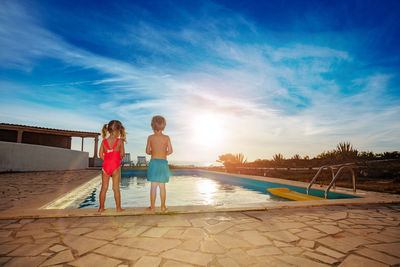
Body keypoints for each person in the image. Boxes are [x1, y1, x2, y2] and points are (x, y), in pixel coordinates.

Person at [145, 115, 173, 212]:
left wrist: (153, 152)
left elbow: (147, 151)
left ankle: (152, 207)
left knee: (153, 187)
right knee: (162, 187)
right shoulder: (166, 138)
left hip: (154, 163)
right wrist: (163, 153)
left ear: (152, 126)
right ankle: (163, 206)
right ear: (164, 126)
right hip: (163, 163)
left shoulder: (150, 137)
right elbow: (170, 151)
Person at [98, 120, 126, 213]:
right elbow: (122, 154)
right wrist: (118, 159)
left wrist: (107, 160)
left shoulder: (104, 141)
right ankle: (118, 208)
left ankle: (101, 208)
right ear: (117, 131)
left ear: (109, 130)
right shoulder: (120, 141)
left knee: (104, 188)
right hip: (116, 166)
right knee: (116, 188)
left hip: (106, 166)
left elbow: (100, 155)